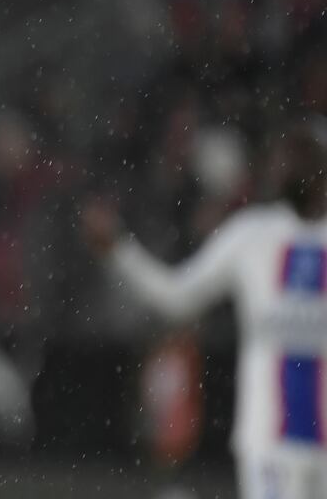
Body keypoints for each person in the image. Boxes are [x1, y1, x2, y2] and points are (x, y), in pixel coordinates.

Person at [82, 115, 327, 499]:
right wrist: (119, 250)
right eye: (286, 156)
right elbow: (177, 297)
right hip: (270, 443)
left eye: (303, 157)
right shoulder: (253, 235)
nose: (288, 166)